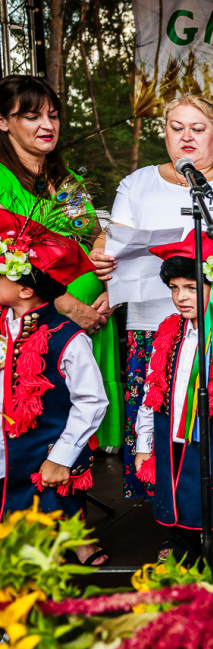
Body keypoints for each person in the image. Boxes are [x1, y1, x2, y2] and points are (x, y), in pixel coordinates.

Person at [90, 94, 213, 498]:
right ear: (164, 132)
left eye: (198, 129)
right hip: (153, 324)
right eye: (176, 127)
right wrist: (102, 252)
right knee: (161, 430)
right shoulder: (138, 183)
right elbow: (112, 234)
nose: (186, 137)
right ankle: (168, 521)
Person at [0, 75, 123, 451]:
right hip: (27, 318)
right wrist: (63, 303)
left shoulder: (64, 181)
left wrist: (107, 290)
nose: (48, 125)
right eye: (32, 116)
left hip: (88, 316)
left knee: (78, 426)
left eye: (53, 115)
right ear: (3, 121)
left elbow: (92, 235)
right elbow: (7, 256)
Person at [134, 228, 213, 565]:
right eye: (175, 288)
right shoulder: (167, 333)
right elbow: (152, 391)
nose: (181, 297)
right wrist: (145, 443)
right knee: (180, 515)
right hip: (172, 445)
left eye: (191, 288)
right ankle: (182, 560)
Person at [0, 209, 108, 565]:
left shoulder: (67, 338)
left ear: (27, 289)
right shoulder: (4, 327)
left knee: (53, 505)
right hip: (7, 448)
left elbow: (91, 402)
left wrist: (61, 456)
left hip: (47, 448)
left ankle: (68, 548)